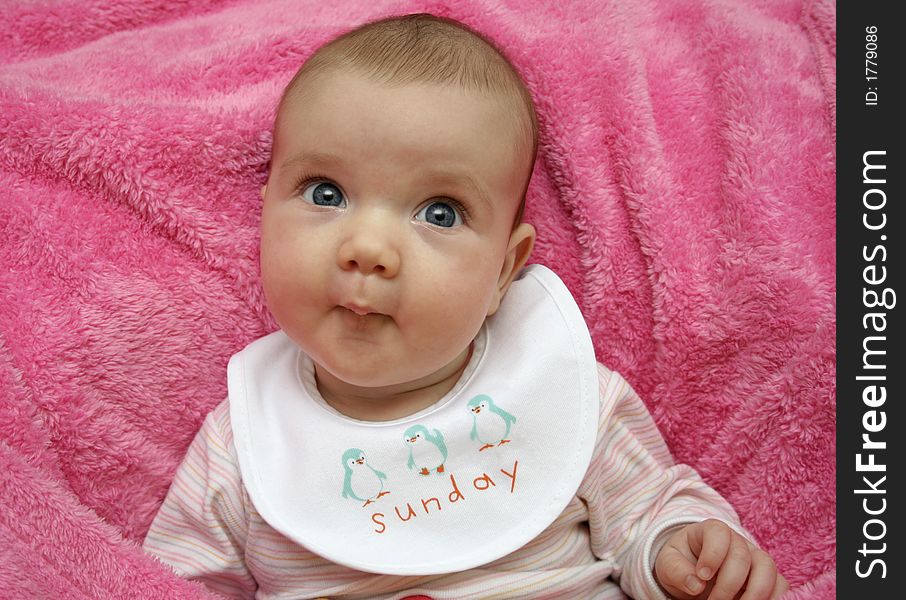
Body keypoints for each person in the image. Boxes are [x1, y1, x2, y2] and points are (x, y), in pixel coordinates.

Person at [143, 13, 788, 600]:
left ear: (504, 271)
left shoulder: (560, 394)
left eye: (440, 212)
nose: (367, 249)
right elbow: (168, 585)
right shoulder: (243, 448)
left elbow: (650, 510)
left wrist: (683, 555)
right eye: (326, 192)